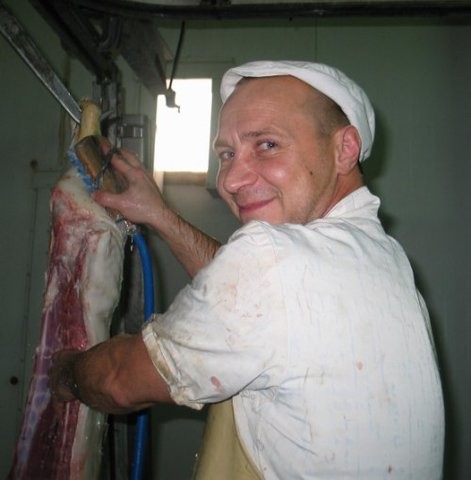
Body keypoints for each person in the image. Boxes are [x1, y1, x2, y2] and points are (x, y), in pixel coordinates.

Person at [49, 60, 445, 479]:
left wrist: (63, 373)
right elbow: (253, 305)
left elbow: (117, 381)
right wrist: (159, 215)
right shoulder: (385, 261)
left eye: (267, 145)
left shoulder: (274, 266)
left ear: (345, 149)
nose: (232, 181)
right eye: (226, 154)